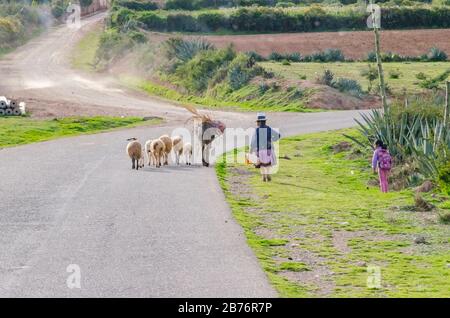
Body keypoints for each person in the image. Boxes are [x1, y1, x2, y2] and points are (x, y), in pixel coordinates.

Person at [250, 113, 281, 182]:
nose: (257, 123)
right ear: (265, 121)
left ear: (260, 122)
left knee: (262, 164)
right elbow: (278, 135)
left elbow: (254, 141)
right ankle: (268, 174)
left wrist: (251, 149)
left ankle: (264, 176)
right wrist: (272, 139)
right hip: (269, 149)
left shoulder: (256, 130)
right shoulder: (269, 129)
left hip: (260, 150)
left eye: (257, 122)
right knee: (268, 164)